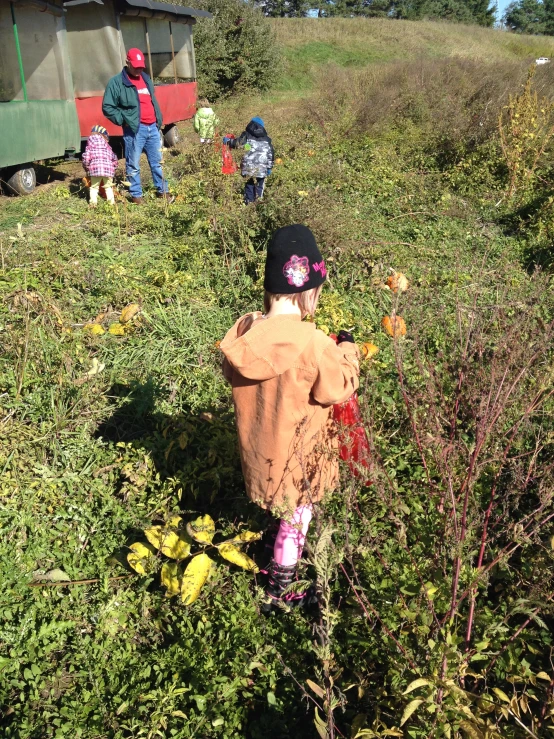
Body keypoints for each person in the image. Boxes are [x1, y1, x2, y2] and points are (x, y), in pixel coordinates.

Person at [220, 225, 360, 612]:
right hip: (299, 465)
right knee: (298, 519)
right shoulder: (314, 343)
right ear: (310, 292)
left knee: (282, 508)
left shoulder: (245, 332)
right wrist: (347, 351)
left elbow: (232, 372)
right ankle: (280, 588)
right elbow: (336, 390)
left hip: (260, 457)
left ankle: (271, 544)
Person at [102, 48, 173, 205]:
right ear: (127, 63)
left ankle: (163, 191)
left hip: (152, 128)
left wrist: (157, 120)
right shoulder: (117, 82)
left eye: (141, 66)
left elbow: (151, 100)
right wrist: (123, 120)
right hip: (135, 129)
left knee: (157, 162)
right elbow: (108, 107)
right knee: (133, 163)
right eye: (135, 66)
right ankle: (136, 195)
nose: (139, 69)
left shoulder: (146, 78)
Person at [223, 116, 274, 204]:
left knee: (249, 184)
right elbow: (271, 154)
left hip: (248, 167)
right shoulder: (267, 139)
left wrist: (228, 141)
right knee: (260, 185)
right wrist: (269, 168)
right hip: (262, 168)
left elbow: (237, 144)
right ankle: (258, 202)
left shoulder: (246, 135)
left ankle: (249, 202)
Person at [81, 125, 118, 207]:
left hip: (95, 170)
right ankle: (111, 204)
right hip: (108, 169)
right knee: (108, 187)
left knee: (94, 187)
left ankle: (93, 204)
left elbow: (86, 158)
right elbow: (114, 157)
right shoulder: (108, 147)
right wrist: (114, 167)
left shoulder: (90, 145)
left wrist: (86, 167)